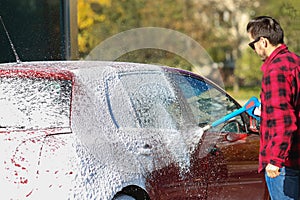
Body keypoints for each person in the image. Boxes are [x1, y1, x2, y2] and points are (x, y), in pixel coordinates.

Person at [246, 16, 300, 200]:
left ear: (263, 42)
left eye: (252, 45)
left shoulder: (276, 70)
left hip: (286, 164)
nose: (253, 50)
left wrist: (275, 160)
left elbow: (285, 121)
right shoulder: (295, 62)